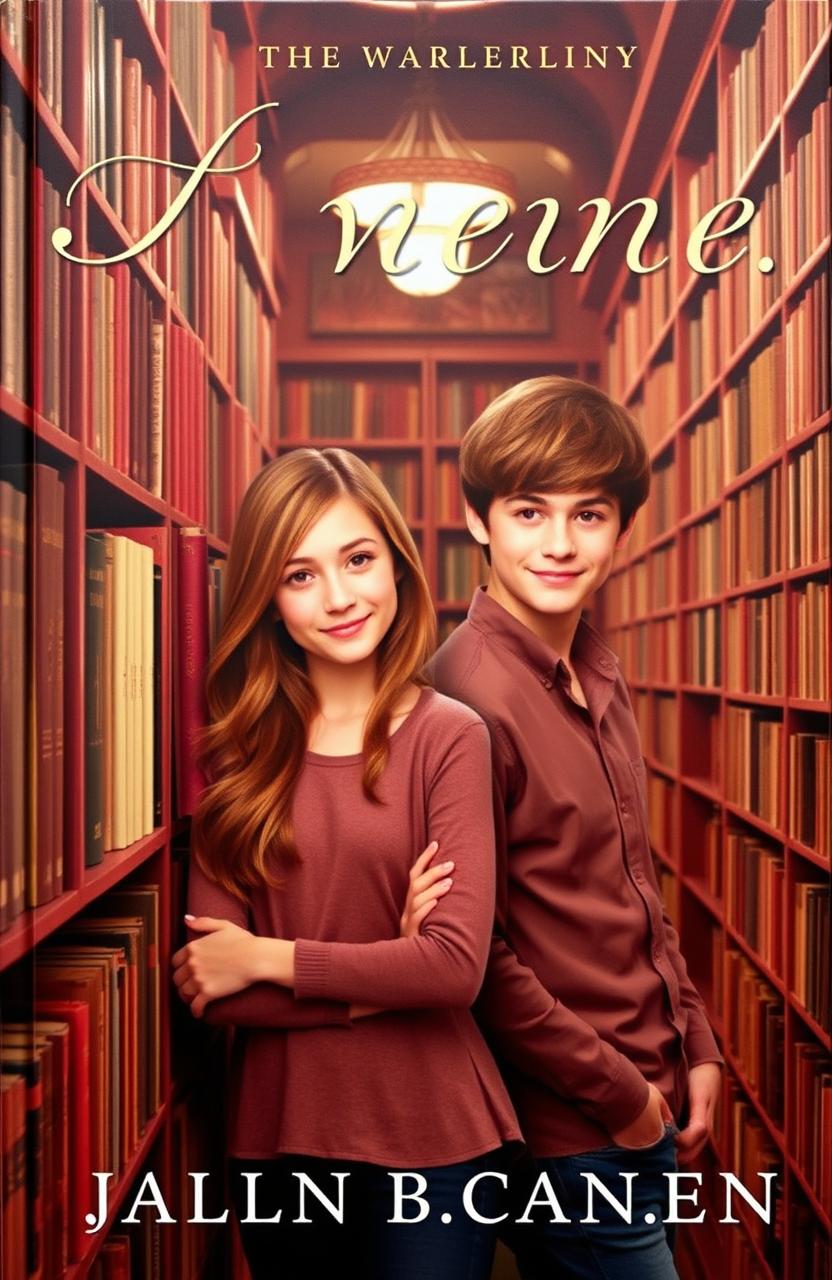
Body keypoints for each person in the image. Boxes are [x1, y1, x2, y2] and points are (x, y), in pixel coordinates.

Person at [171, 447, 521, 1280]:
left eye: (358, 560)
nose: (338, 598)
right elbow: (212, 992)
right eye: (300, 575)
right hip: (280, 1141)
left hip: (435, 1137)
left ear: (397, 567)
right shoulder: (239, 757)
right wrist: (374, 988)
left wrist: (269, 957)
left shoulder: (451, 738)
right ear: (269, 602)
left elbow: (451, 971)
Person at [429, 376, 724, 1280]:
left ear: (621, 526)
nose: (559, 544)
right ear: (479, 520)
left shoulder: (595, 668)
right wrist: (626, 1098)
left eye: (588, 514)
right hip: (574, 1130)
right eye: (528, 512)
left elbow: (631, 880)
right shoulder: (462, 697)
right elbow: (478, 957)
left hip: (647, 1096)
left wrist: (696, 1042)